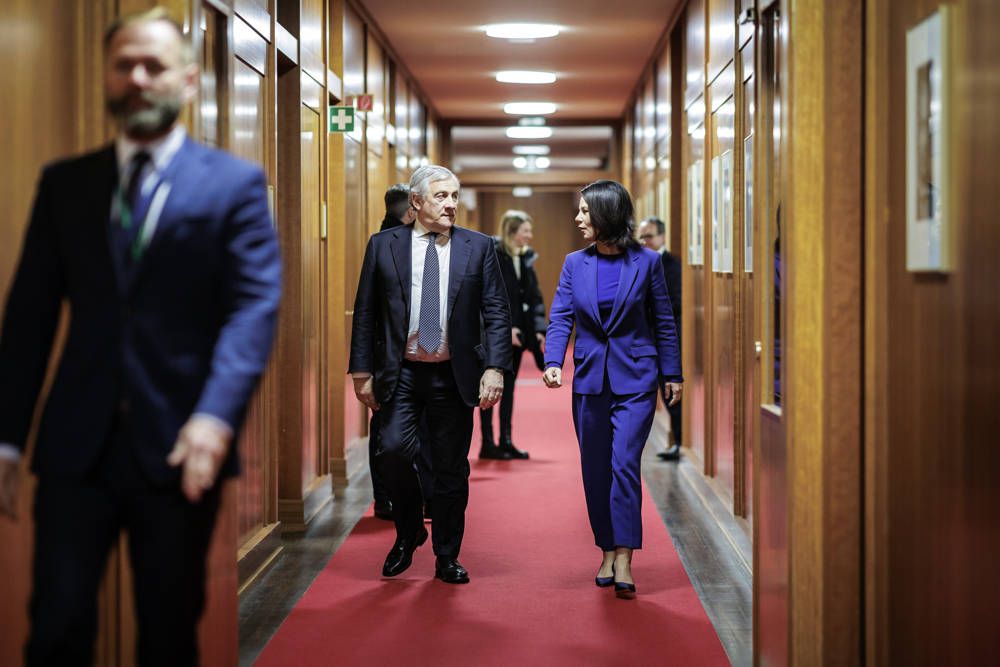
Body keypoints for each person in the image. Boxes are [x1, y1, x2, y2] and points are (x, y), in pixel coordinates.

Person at [0, 9, 282, 665]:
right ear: (107, 75)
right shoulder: (67, 184)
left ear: (187, 81)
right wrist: (8, 435)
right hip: (74, 447)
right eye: (123, 64)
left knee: (167, 631)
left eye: (153, 65)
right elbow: (30, 315)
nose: (136, 77)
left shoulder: (233, 186)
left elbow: (252, 308)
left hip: (182, 446)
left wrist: (216, 417)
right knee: (55, 627)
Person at [349, 165, 511, 584]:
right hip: (400, 371)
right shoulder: (384, 245)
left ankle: (446, 556)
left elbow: (495, 311)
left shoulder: (478, 247)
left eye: (455, 196)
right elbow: (366, 311)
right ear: (417, 202)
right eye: (441, 196)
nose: (451, 204)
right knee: (392, 452)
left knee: (450, 469)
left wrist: (494, 367)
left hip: (452, 374)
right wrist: (360, 371)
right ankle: (409, 531)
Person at [543, 180, 682, 600]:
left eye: (585, 211)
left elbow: (664, 320)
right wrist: (553, 361)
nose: (578, 218)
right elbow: (560, 316)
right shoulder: (574, 263)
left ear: (606, 215)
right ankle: (605, 548)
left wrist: (671, 373)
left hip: (636, 379)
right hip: (589, 380)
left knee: (623, 464)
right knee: (595, 470)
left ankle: (624, 555)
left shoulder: (648, 262)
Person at [369, 183, 434, 520]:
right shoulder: (386, 246)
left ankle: (391, 497)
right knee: (389, 432)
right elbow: (369, 311)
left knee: (387, 428)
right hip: (392, 359)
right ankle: (390, 497)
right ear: (410, 210)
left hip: (398, 357)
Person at [478, 210, 547, 460]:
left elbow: (534, 297)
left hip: (521, 336)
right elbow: (489, 298)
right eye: (525, 231)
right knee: (488, 388)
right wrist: (505, 328)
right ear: (511, 231)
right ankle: (487, 443)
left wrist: (539, 329)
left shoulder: (525, 258)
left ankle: (505, 440)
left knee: (509, 390)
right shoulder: (493, 255)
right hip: (495, 335)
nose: (530, 235)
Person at [637, 217, 683, 461]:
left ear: (662, 237)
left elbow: (674, 303)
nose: (645, 241)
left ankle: (678, 441)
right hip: (643, 338)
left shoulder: (670, 264)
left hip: (664, 338)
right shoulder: (638, 262)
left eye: (650, 236)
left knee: (669, 391)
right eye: (642, 236)